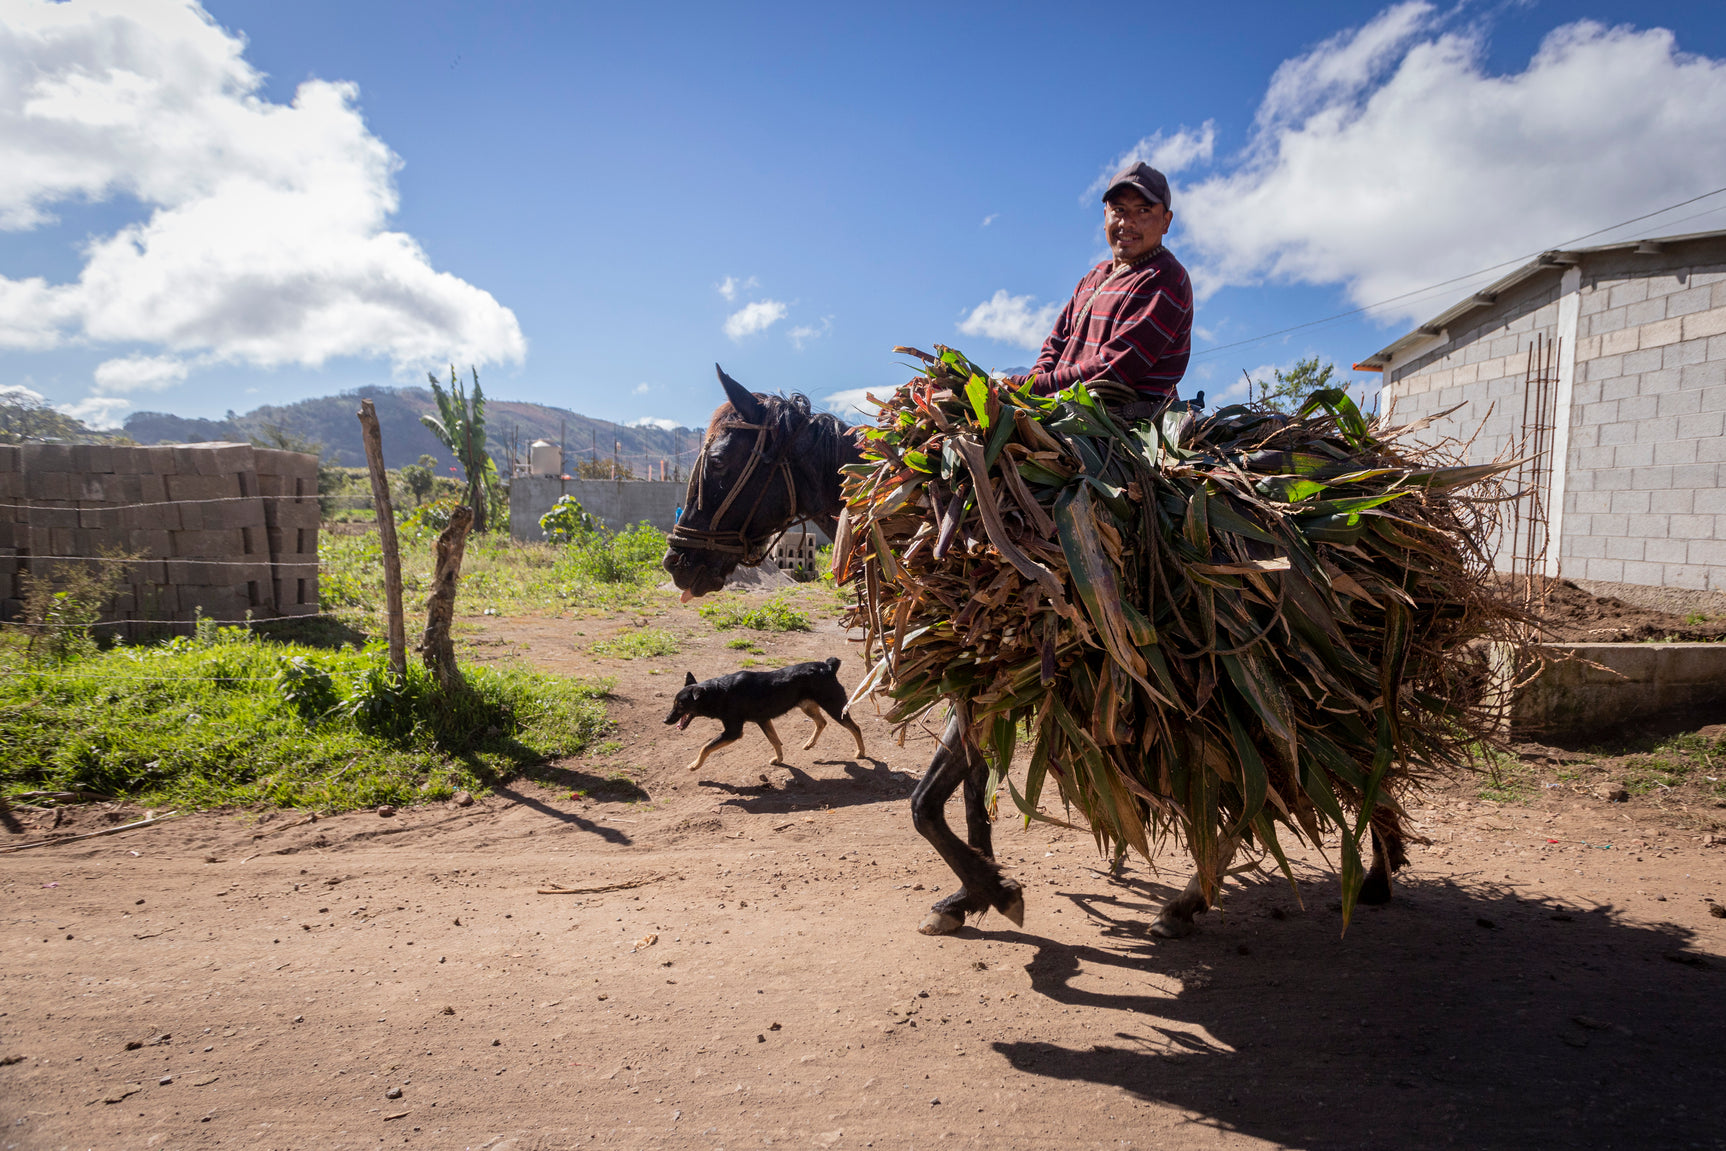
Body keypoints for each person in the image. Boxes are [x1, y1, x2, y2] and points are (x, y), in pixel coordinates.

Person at [1007, 161, 1194, 403]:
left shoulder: (1165, 276)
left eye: (1143, 211)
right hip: (1065, 409)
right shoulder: (1093, 277)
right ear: (1105, 215)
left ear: (1166, 221)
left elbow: (1113, 370)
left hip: (1117, 425)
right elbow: (1055, 345)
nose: (1127, 223)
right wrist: (1030, 383)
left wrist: (1026, 386)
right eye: (1119, 210)